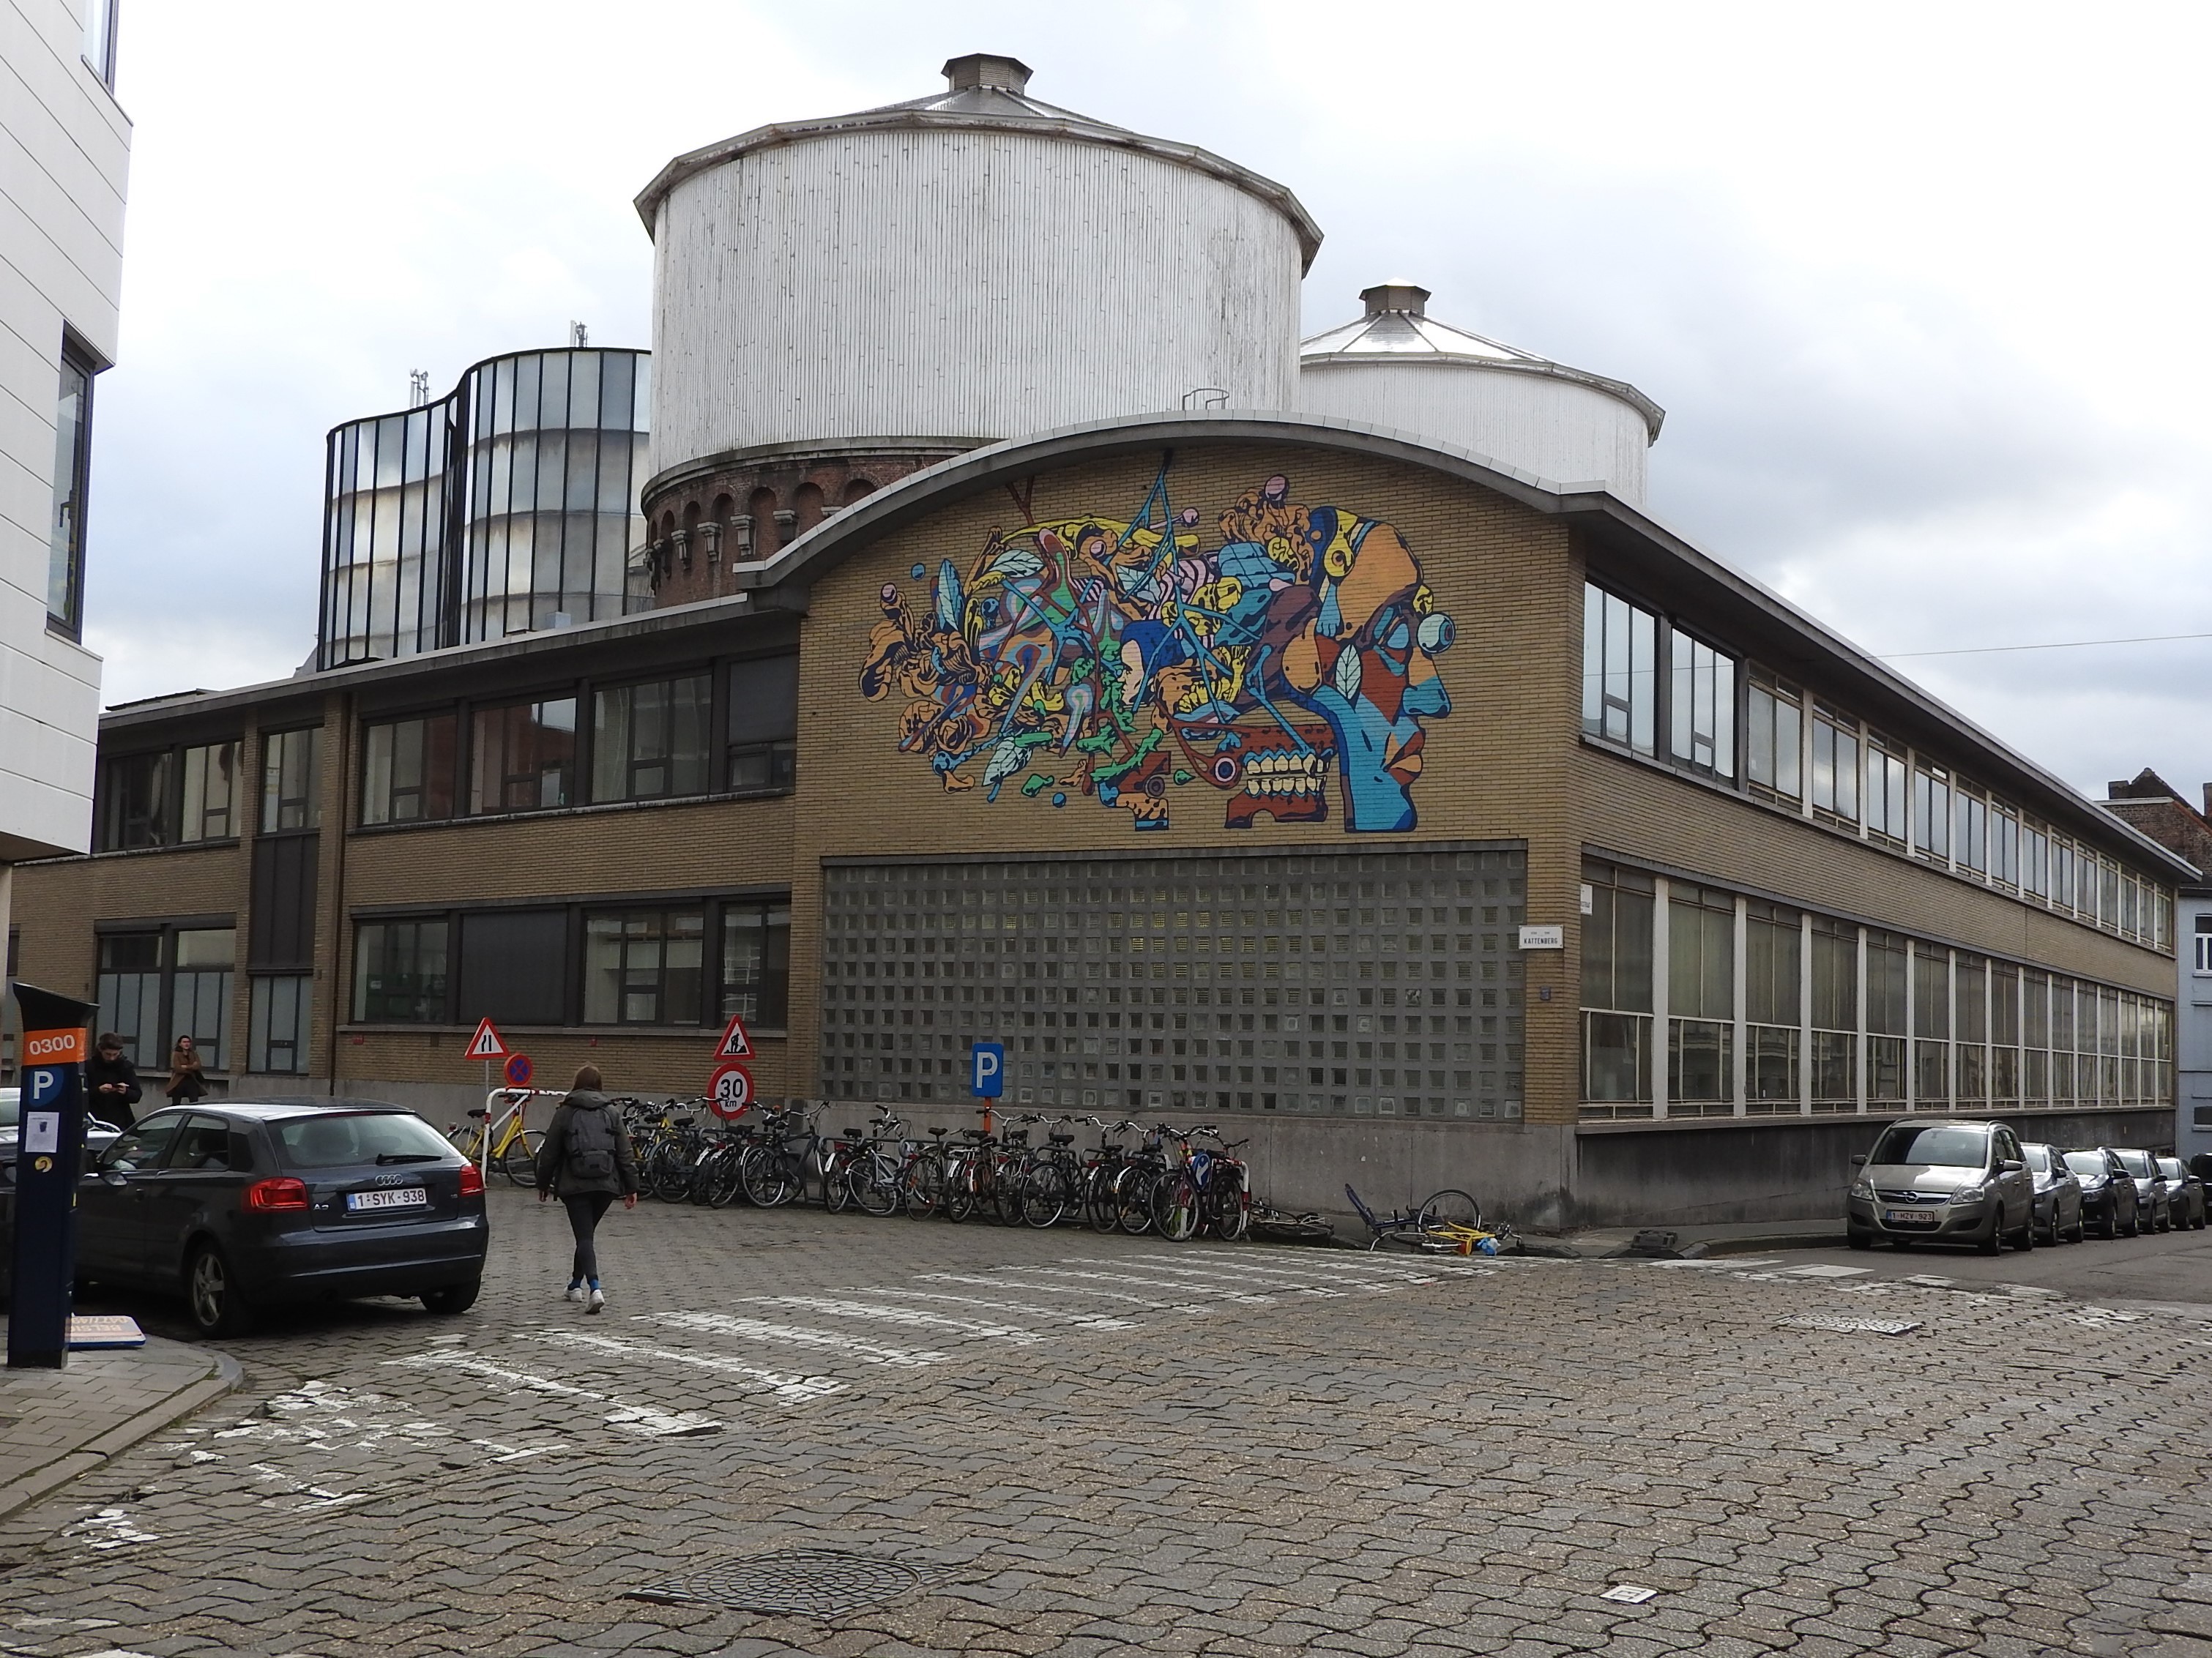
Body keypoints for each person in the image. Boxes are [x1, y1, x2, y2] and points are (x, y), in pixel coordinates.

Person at [534, 1065, 637, 1313]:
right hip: (606, 1185)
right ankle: (574, 1285)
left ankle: (595, 1288)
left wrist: (543, 1183)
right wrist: (632, 1186)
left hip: (575, 1184)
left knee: (584, 1237)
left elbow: (549, 1152)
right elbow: (625, 1152)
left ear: (576, 1084)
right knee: (586, 1235)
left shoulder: (565, 1112)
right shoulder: (612, 1112)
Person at [86, 1033, 143, 1129]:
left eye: (115, 1054)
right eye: (108, 1054)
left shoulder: (126, 1067)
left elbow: (137, 1095)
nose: (111, 1058)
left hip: (120, 1120)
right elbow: (79, 1094)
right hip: (94, 1118)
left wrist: (126, 1092)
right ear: (100, 1050)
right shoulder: (89, 1067)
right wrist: (98, 1091)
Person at [165, 1035, 206, 1106]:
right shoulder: (176, 1054)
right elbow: (178, 1069)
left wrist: (186, 1066)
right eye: (184, 1042)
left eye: (188, 1042)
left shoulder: (193, 1053)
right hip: (179, 1081)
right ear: (180, 1044)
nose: (186, 1044)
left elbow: (198, 1066)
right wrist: (192, 1067)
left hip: (191, 1080)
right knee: (176, 1102)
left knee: (194, 1102)